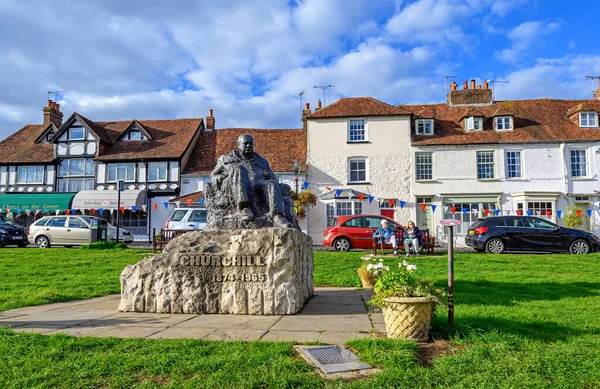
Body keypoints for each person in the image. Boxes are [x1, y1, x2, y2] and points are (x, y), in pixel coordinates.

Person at [210, 133, 295, 229]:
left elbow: (274, 178)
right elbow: (213, 176)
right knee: (239, 169)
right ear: (238, 145)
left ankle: (278, 216)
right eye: (245, 143)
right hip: (235, 184)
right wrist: (224, 176)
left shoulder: (262, 161)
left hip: (257, 184)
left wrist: (271, 176)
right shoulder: (225, 159)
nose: (248, 146)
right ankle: (244, 208)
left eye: (251, 144)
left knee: (271, 183)